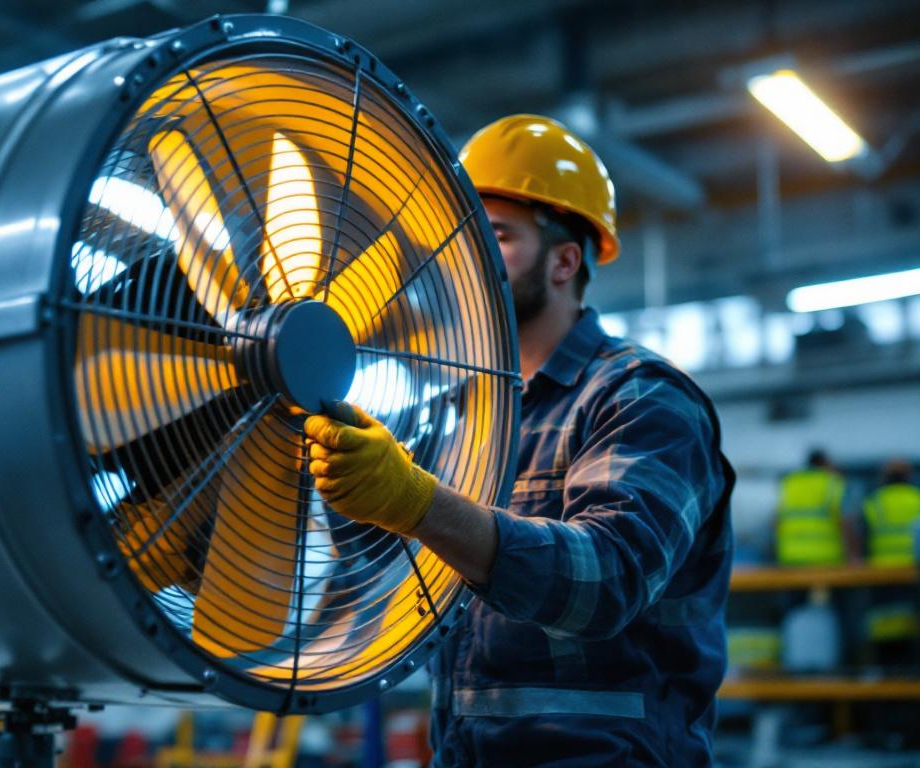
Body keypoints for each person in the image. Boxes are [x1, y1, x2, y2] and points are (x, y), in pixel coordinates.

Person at [303, 115, 735, 766]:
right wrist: (336, 474)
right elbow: (390, 578)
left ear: (565, 261)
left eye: (499, 236)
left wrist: (418, 502)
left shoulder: (642, 398)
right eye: (467, 236)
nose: (472, 257)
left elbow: (608, 581)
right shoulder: (462, 414)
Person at [774, 449, 847, 566]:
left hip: (790, 556)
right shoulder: (833, 483)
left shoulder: (789, 483)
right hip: (826, 557)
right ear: (823, 463)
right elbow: (844, 521)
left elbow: (776, 521)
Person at [863, 458, 920, 567]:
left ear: (885, 476)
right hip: (916, 565)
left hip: (881, 566)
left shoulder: (874, 501)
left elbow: (863, 534)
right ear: (908, 475)